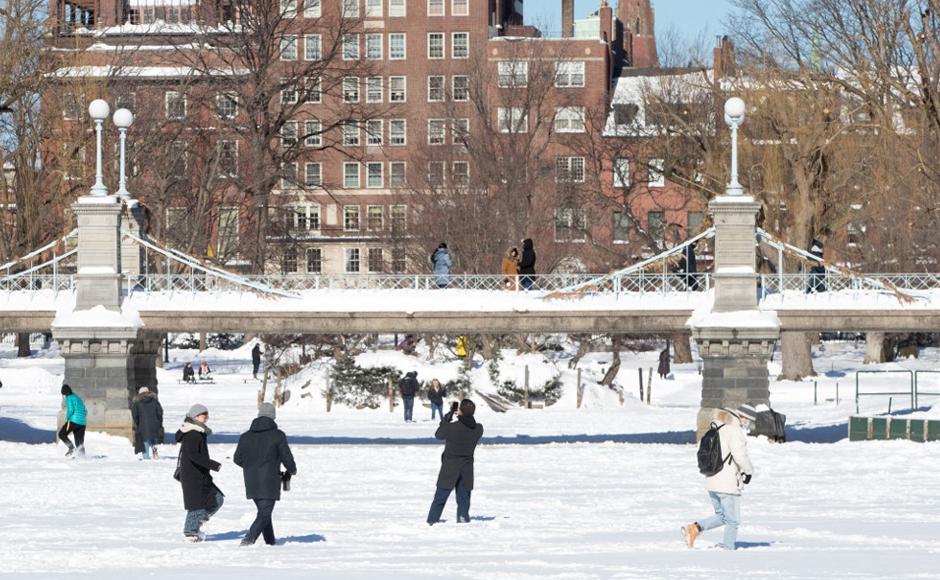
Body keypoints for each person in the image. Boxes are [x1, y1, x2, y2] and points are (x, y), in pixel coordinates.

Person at [682, 404, 757, 550]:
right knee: (733, 520)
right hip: (727, 482)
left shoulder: (716, 427)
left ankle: (694, 529)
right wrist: (749, 471)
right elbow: (740, 456)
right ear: (742, 416)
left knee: (723, 516)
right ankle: (728, 550)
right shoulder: (734, 430)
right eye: (748, 420)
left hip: (712, 480)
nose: (748, 423)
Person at [234, 403, 297, 547]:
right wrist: (292, 470)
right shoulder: (278, 435)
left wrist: (251, 467)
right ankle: (248, 540)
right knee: (264, 513)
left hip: (251, 481)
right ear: (273, 416)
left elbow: (237, 459)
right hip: (270, 481)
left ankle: (270, 542)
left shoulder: (245, 436)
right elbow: (286, 456)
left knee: (264, 512)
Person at [427, 399, 484, 525]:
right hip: (467, 469)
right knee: (464, 499)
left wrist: (447, 418)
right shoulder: (478, 429)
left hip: (449, 467)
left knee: (440, 498)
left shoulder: (452, 428)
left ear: (460, 412)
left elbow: (438, 435)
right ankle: (463, 519)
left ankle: (432, 521)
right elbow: (470, 424)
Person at [176, 404, 223, 543]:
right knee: (197, 504)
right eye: (204, 415)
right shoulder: (192, 433)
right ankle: (190, 532)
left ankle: (194, 526)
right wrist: (212, 464)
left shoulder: (196, 431)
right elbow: (193, 455)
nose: (207, 417)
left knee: (216, 499)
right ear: (196, 416)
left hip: (199, 474)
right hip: (193, 476)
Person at [132, 387, 164, 460]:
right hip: (154, 424)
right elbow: (160, 412)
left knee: (145, 441)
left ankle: (146, 458)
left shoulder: (137, 403)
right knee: (153, 438)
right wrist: (159, 422)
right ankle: (154, 449)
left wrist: (137, 423)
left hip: (143, 425)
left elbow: (135, 414)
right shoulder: (155, 401)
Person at [58, 384, 87, 458]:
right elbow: (85, 410)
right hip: (82, 423)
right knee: (79, 442)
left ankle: (71, 448)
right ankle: (82, 457)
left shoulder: (69, 398)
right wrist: (81, 418)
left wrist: (68, 418)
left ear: (64, 393)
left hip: (73, 421)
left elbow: (71, 410)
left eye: (63, 395)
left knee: (62, 434)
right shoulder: (77, 397)